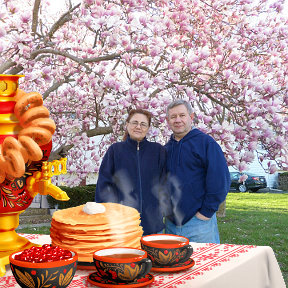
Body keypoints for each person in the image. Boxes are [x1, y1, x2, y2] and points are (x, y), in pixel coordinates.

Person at [165, 99, 230, 243]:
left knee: (205, 265)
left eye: (182, 115)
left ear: (191, 117)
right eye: (173, 116)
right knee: (174, 265)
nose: (178, 120)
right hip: (171, 224)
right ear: (167, 120)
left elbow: (220, 181)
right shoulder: (166, 149)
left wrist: (205, 213)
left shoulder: (206, 143)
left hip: (199, 224)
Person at [95, 109, 169, 235]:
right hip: (122, 227)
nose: (138, 127)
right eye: (134, 122)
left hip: (153, 226)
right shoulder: (115, 151)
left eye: (143, 124)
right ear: (127, 125)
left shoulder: (158, 151)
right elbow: (104, 184)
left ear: (148, 128)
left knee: (153, 256)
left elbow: (166, 183)